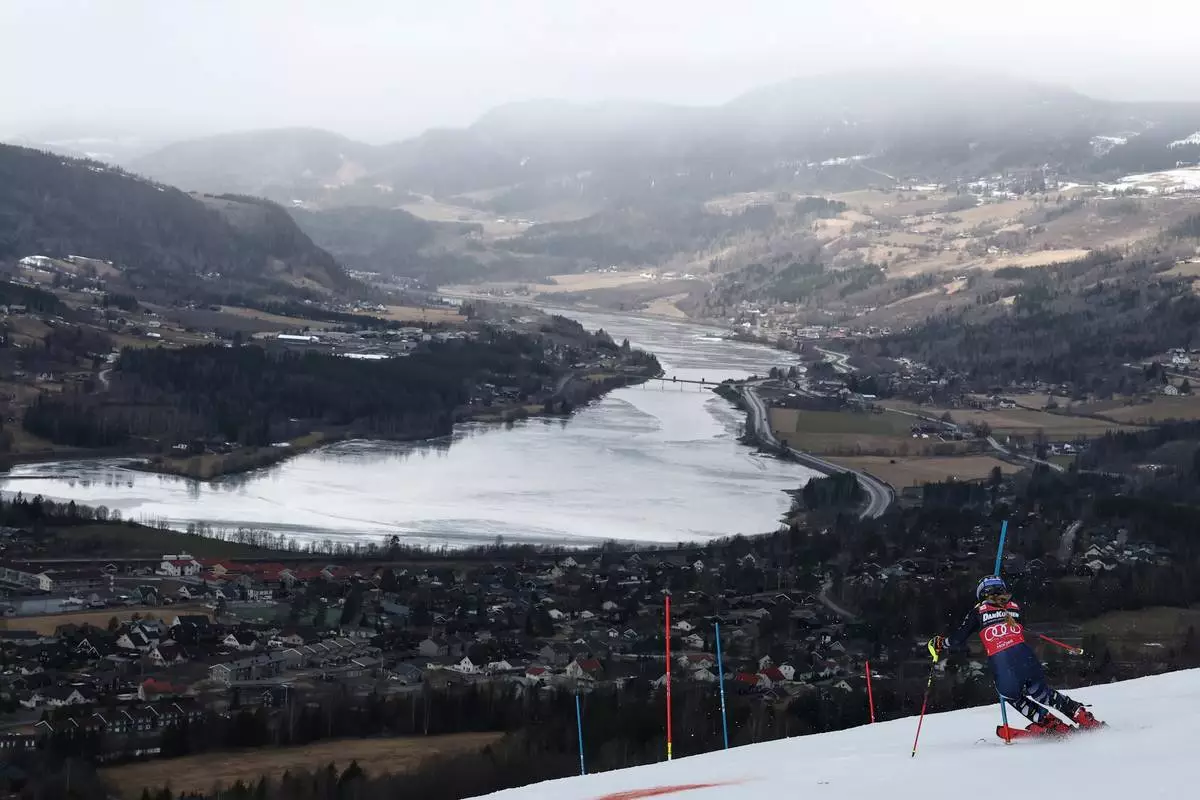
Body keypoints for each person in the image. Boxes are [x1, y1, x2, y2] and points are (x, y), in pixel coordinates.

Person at [931, 575, 1102, 735]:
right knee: (1041, 693)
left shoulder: (977, 612)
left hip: (1003, 662)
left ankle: (1050, 723)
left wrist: (940, 643)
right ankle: (1080, 714)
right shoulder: (1015, 607)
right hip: (1026, 657)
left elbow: (957, 639)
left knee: (1011, 695)